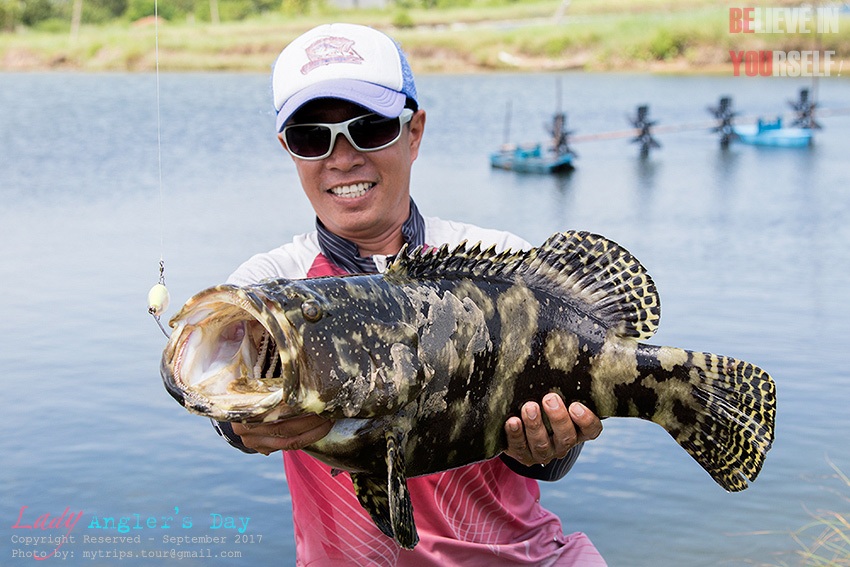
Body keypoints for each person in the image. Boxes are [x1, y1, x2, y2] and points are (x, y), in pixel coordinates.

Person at [212, 23, 606, 565]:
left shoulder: (503, 263)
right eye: (311, 136)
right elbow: (220, 379)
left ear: (414, 132)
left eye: (370, 129)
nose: (343, 157)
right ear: (289, 149)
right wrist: (239, 427)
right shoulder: (271, 287)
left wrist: (548, 449)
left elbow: (554, 461)